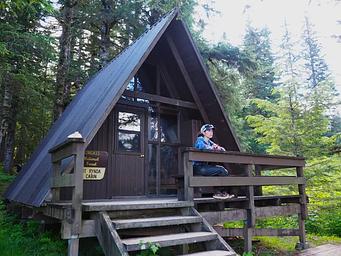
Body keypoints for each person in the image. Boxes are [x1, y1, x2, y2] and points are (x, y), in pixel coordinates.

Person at [193, 124, 234, 199]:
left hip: (205, 167)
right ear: (204, 132)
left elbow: (222, 149)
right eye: (209, 130)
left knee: (224, 171)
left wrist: (218, 148)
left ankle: (222, 192)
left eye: (212, 131)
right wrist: (213, 147)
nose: (211, 132)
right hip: (197, 167)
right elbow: (202, 147)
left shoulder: (209, 142)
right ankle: (218, 193)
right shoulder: (200, 139)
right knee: (221, 170)